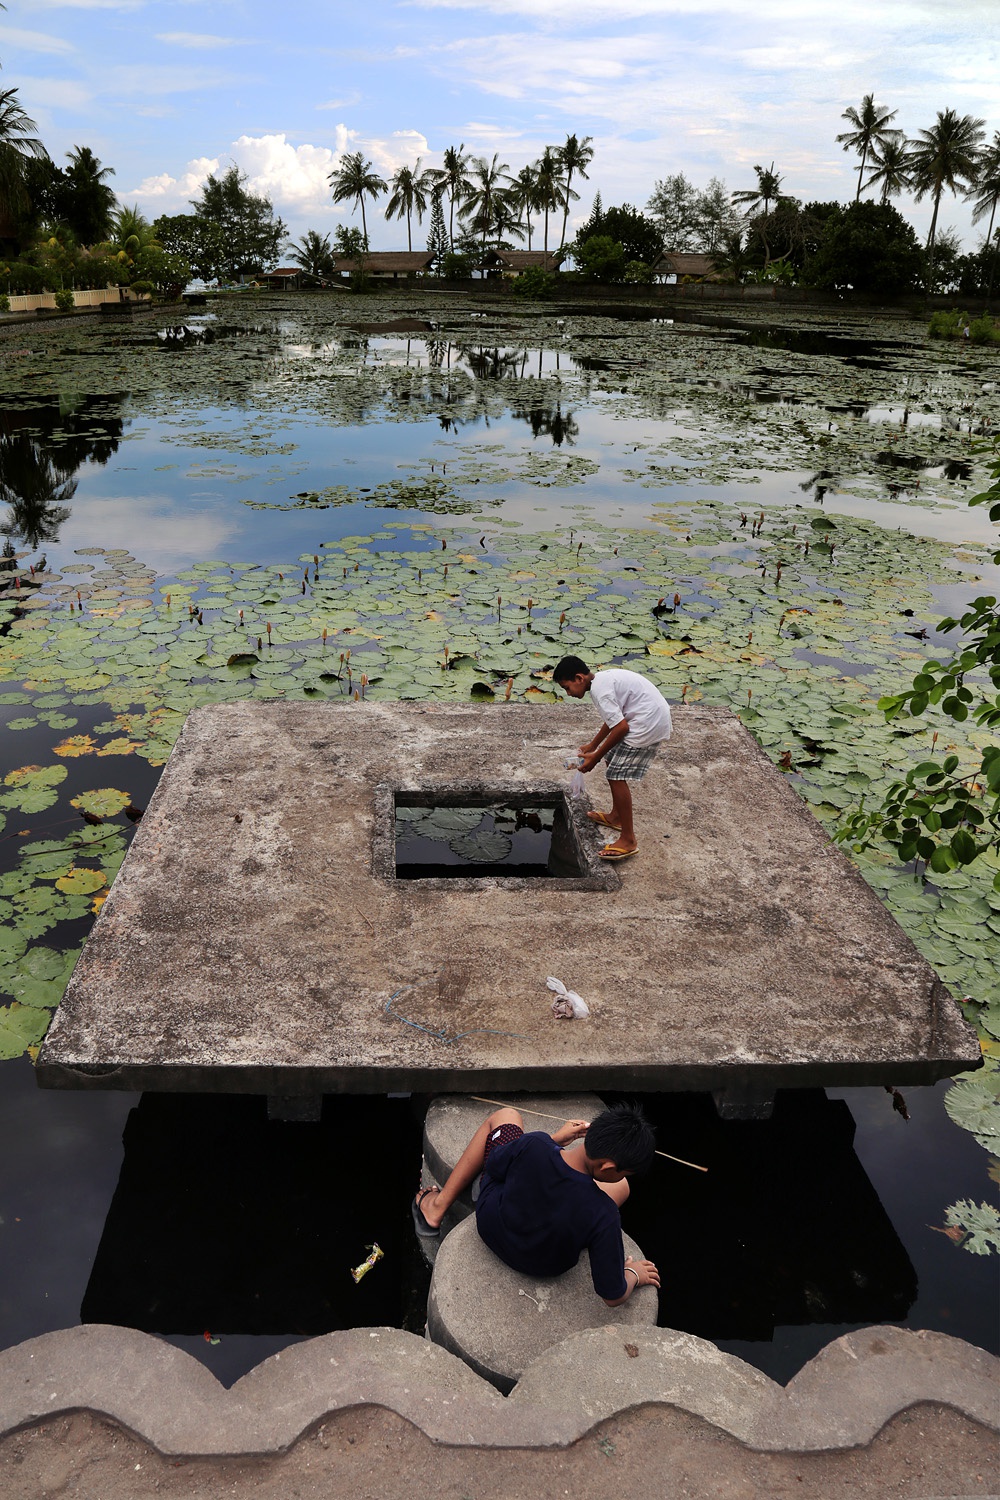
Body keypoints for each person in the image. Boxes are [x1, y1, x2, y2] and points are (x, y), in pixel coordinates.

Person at [412, 1103, 660, 1306]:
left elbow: (495, 1165)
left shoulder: (535, 1145)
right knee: (621, 1189)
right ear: (607, 1167)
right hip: (546, 1264)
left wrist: (553, 1141)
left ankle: (437, 1206)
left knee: (506, 1116)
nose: (623, 1176)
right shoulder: (604, 1213)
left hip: (491, 1224)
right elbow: (613, 1295)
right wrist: (632, 1274)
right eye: (623, 1171)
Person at [552, 656, 672, 861]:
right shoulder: (601, 681)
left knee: (616, 775)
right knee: (611, 758)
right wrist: (594, 745)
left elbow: (621, 727)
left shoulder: (600, 690)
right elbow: (614, 719)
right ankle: (616, 817)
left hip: (647, 723)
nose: (568, 693)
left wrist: (594, 758)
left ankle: (628, 840)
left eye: (567, 687)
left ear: (579, 678)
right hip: (646, 717)